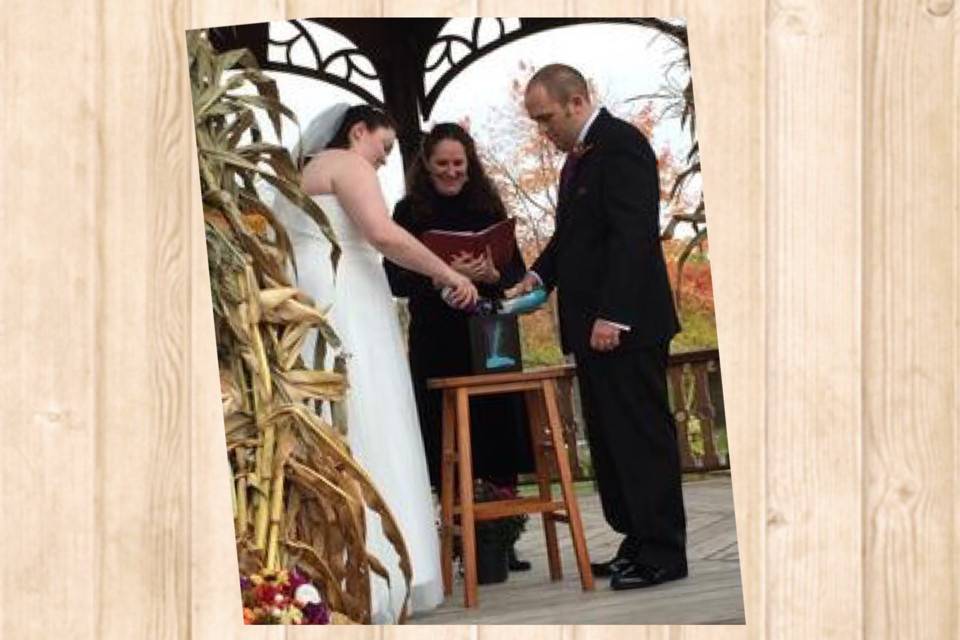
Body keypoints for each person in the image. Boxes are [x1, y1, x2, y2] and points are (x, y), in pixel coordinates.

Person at [270, 103, 478, 622]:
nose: (384, 161)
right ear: (357, 131)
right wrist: (447, 275)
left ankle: (329, 571)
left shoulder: (297, 174)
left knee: (334, 423)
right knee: (375, 417)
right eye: (383, 148)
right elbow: (382, 234)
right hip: (351, 299)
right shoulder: (348, 163)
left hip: (309, 303)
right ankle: (386, 572)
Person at [507, 64, 688, 590]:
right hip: (591, 331)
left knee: (641, 439)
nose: (545, 131)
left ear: (577, 100)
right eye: (538, 123)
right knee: (611, 444)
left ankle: (664, 553)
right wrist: (535, 275)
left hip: (626, 326)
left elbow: (633, 235)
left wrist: (614, 314)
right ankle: (636, 538)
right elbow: (573, 237)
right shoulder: (576, 161)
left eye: (547, 119)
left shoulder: (621, 144)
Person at [383, 122, 534, 571]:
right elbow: (394, 278)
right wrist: (438, 273)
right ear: (426, 166)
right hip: (437, 336)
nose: (452, 172)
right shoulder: (408, 211)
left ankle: (501, 538)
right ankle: (457, 537)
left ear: (470, 165)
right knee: (444, 432)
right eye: (443, 164)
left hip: (488, 333)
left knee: (496, 430)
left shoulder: (487, 203)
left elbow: (515, 273)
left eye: (459, 164)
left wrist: (490, 276)